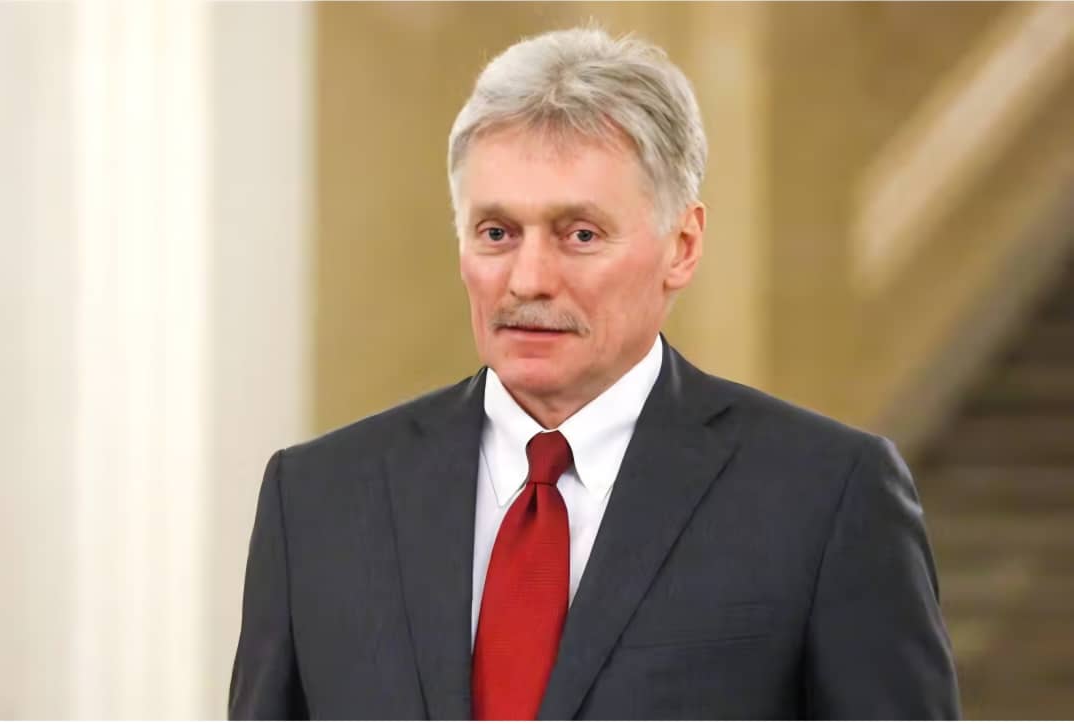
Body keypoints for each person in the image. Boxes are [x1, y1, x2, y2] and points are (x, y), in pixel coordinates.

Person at [229, 27, 960, 720]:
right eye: (496, 233)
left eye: (579, 234)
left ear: (682, 245)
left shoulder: (828, 497)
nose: (528, 279)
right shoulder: (316, 502)